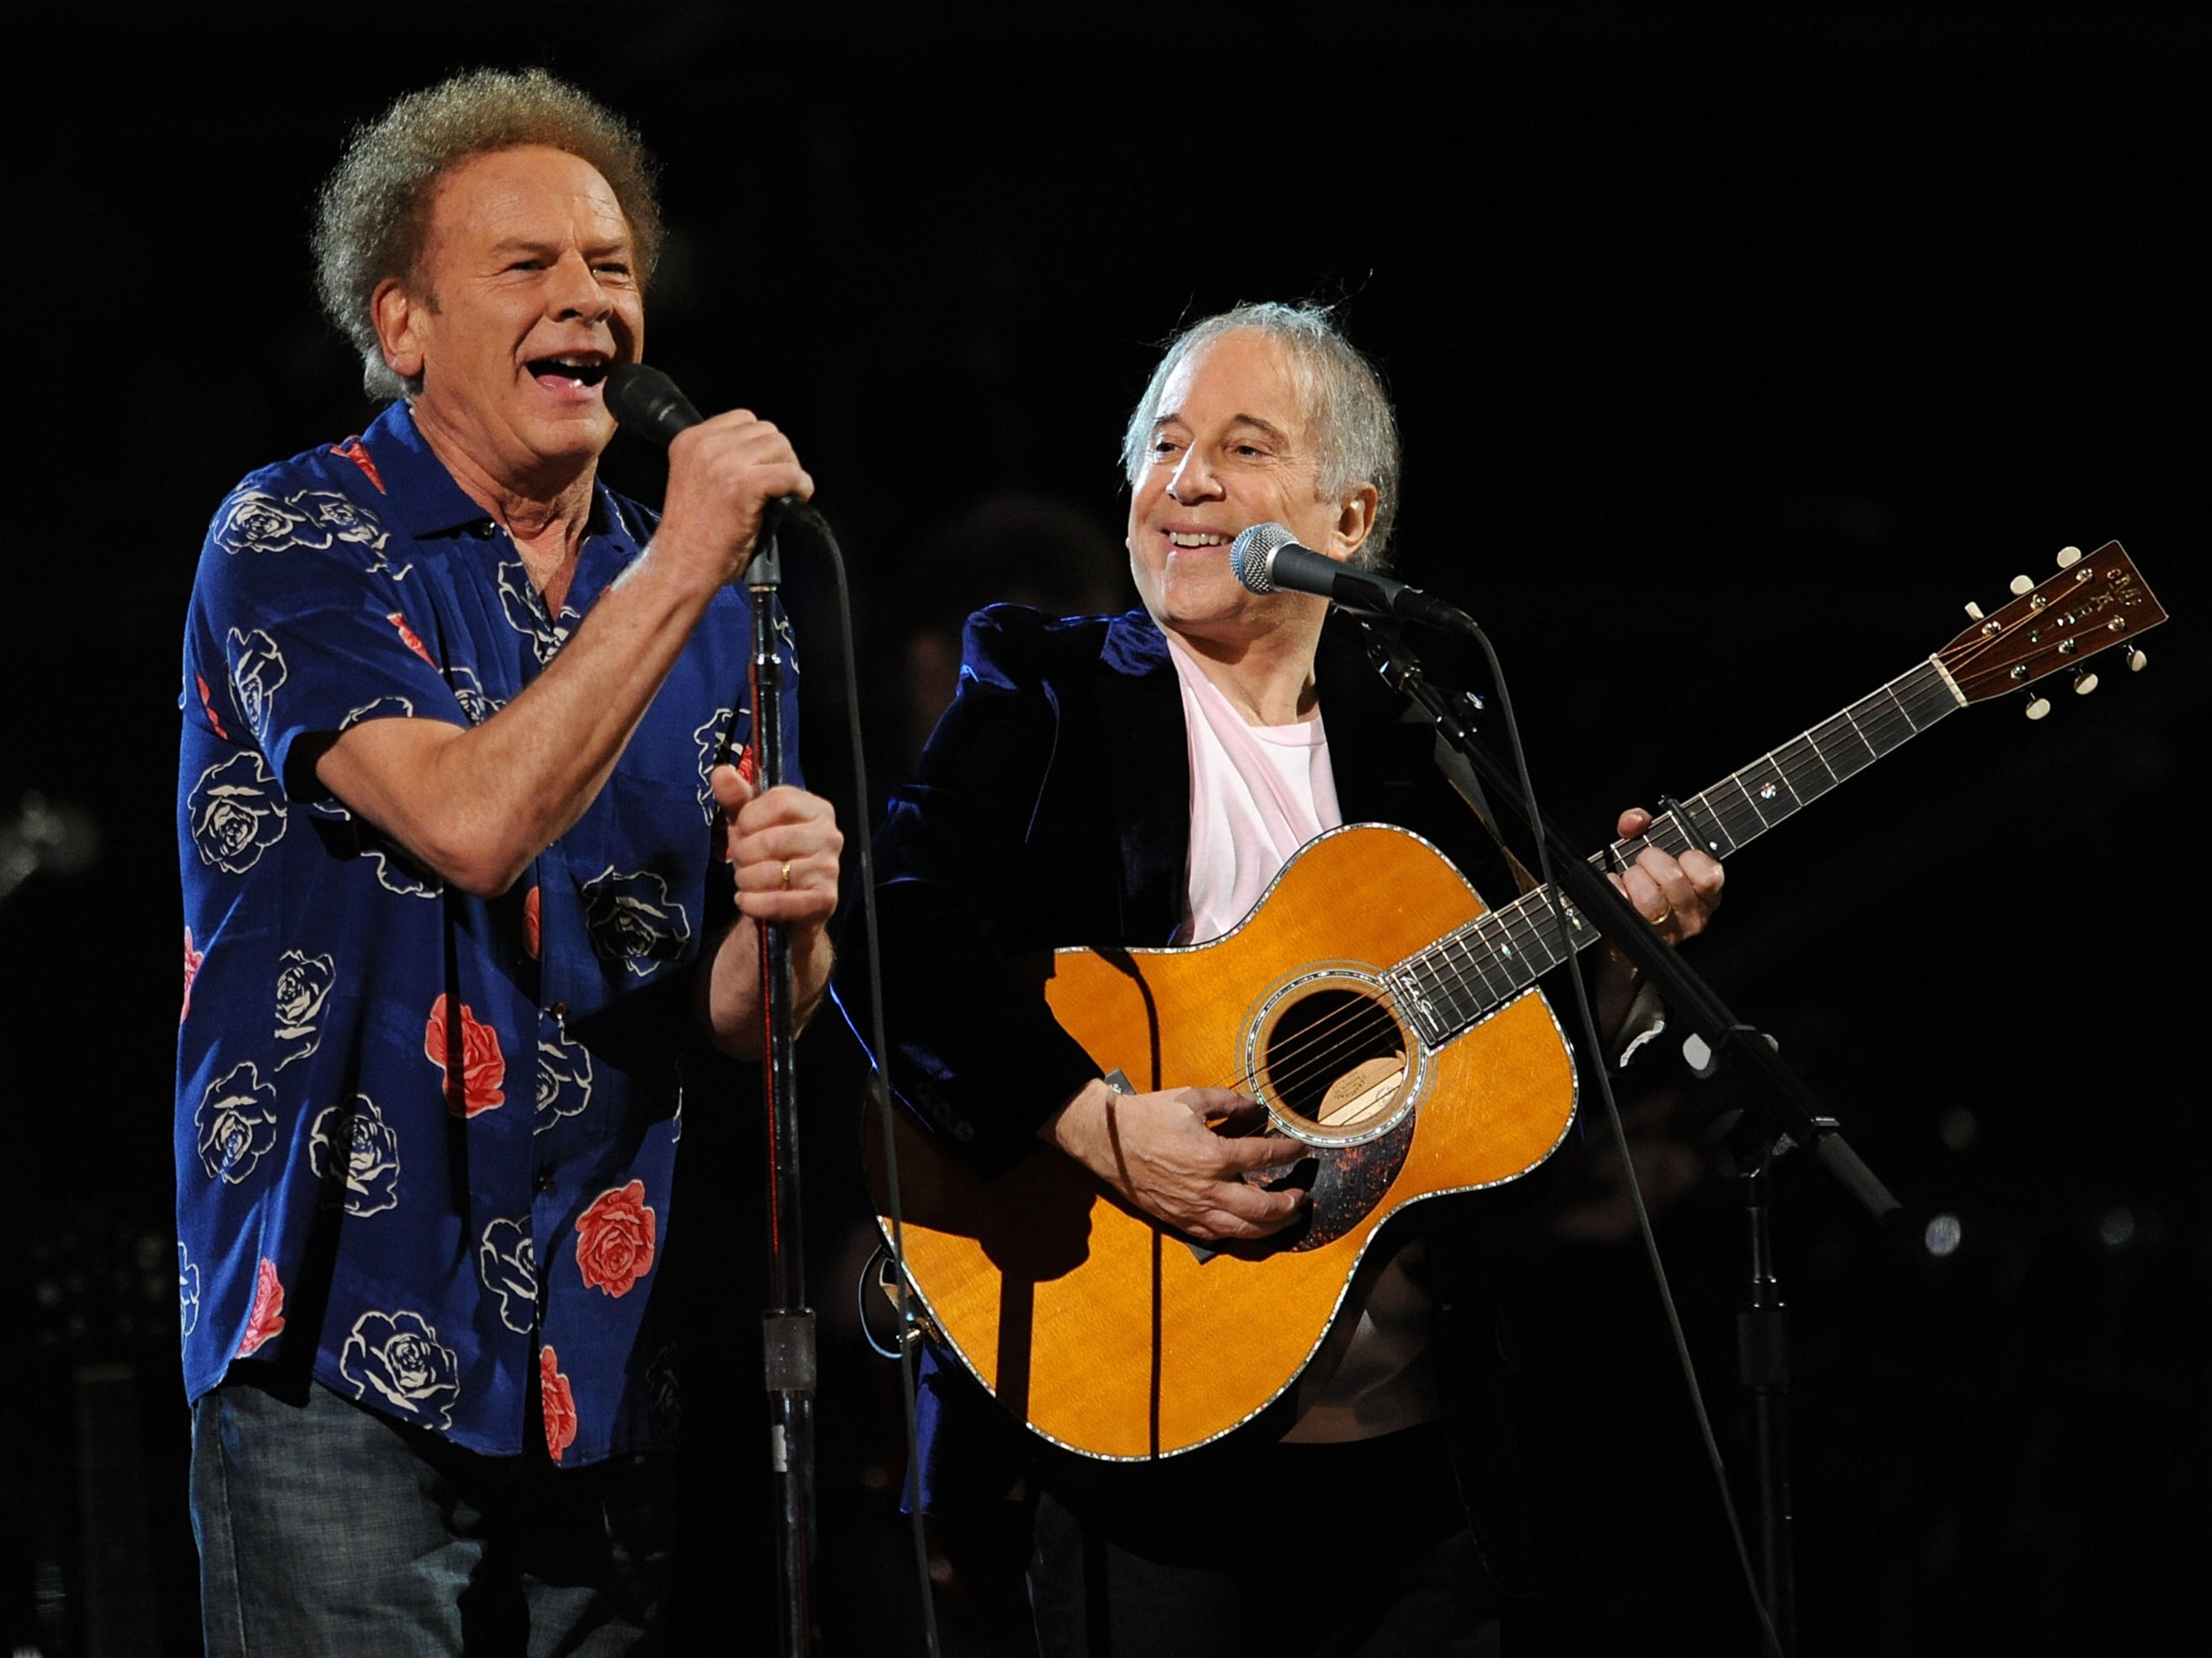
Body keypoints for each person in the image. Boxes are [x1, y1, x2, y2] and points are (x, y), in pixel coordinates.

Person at [868, 302, 1724, 1654]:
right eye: (1162, 446)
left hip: (1413, 1456)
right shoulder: (1049, 695)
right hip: (1146, 1421)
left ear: (1345, 519)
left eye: (1241, 446)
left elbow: (1489, 1080)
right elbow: (896, 934)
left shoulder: (1422, 751)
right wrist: (1094, 1120)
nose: (1186, 481)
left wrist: (1622, 970)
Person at [174, 68, 841, 1652]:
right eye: (528, 267)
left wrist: (789, 916)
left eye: (611, 267)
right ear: (402, 325)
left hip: (604, 1349)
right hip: (341, 1331)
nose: (589, 303)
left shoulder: (704, 600)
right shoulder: (299, 537)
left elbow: (750, 1024)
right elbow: (471, 822)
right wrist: (686, 556)